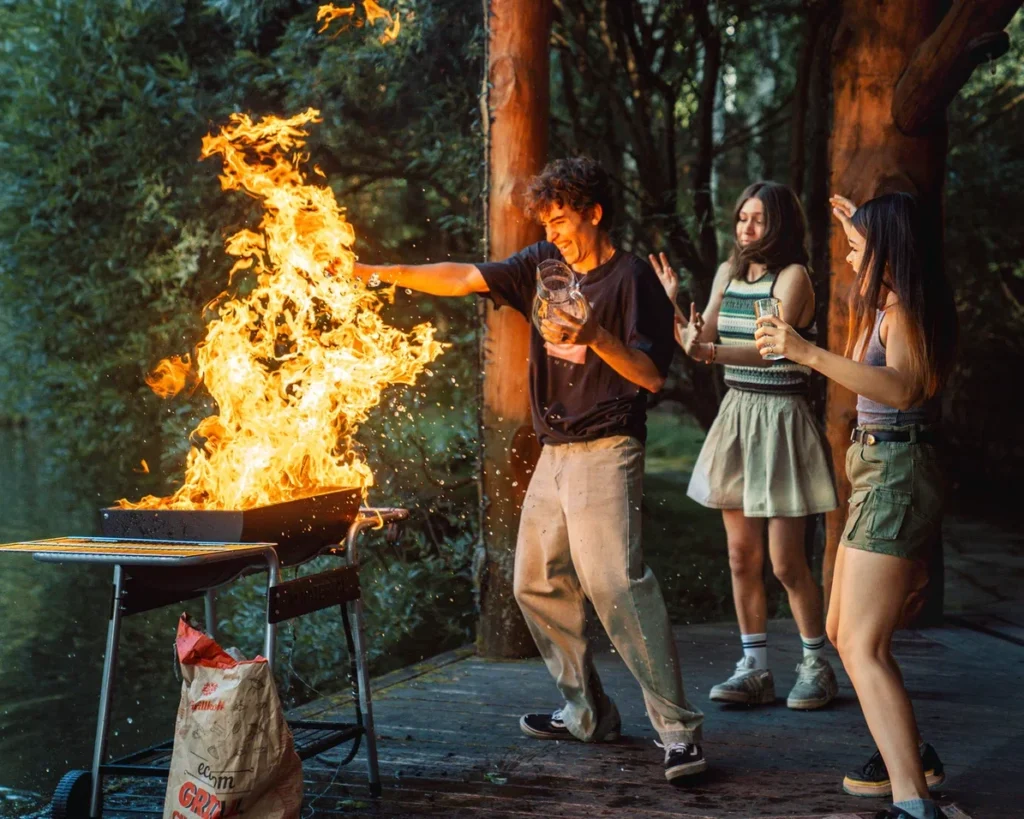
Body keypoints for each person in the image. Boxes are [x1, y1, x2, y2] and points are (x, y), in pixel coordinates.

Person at [353, 157, 707, 783]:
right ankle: (587, 712)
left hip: (608, 446)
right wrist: (375, 272)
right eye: (547, 221)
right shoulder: (541, 265)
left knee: (617, 587)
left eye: (563, 219)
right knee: (534, 583)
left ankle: (678, 732)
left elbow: (651, 375)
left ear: (594, 213)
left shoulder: (632, 281)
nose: (554, 232)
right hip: (555, 451)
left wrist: (595, 333)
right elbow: (463, 276)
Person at [754, 191, 957, 819]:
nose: (847, 251)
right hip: (877, 470)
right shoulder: (892, 298)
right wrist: (861, 224)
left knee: (863, 645)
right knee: (844, 633)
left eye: (857, 244)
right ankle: (910, 759)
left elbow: (902, 387)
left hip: (896, 472)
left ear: (889, 251)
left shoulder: (906, 312)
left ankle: (912, 801)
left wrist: (804, 352)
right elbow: (878, 247)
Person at [650, 181, 839, 711]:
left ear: (779, 224)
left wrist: (707, 351)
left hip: (780, 421)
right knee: (740, 556)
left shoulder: (794, 277)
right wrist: (675, 311)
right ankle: (754, 666)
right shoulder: (728, 273)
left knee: (785, 562)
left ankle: (815, 663)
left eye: (757, 219)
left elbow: (770, 348)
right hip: (737, 416)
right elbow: (701, 335)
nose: (746, 229)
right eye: (740, 219)